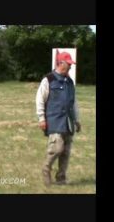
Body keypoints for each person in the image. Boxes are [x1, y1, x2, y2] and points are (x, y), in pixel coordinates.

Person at [36, 51, 81, 186]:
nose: (71, 66)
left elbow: (74, 102)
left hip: (68, 121)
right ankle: (46, 169)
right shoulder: (48, 79)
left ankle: (61, 178)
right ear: (61, 63)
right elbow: (40, 99)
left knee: (66, 152)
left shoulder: (70, 81)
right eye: (69, 64)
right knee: (57, 148)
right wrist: (41, 118)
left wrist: (77, 120)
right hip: (54, 120)